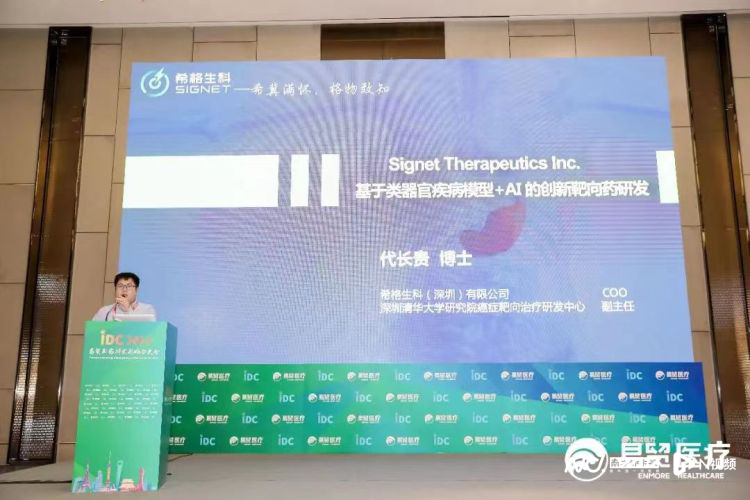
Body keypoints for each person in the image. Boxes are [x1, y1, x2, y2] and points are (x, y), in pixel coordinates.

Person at [92, 272, 157, 321]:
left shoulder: (147, 310)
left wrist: (128, 310)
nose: (124, 289)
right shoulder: (105, 311)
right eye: (120, 286)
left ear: (136, 290)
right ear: (115, 289)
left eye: (129, 286)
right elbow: (92, 332)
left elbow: (147, 332)